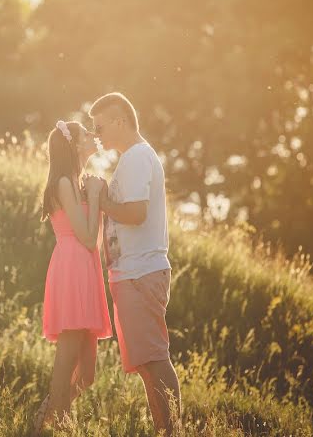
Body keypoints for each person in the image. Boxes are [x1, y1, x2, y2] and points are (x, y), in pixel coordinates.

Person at [90, 92, 181, 435]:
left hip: (141, 273)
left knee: (155, 359)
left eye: (99, 126)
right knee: (145, 363)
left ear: (119, 121)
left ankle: (172, 430)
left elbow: (137, 213)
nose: (96, 134)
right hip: (131, 273)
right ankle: (164, 428)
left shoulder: (137, 158)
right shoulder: (132, 158)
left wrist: (101, 202)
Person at [32, 120, 112, 434]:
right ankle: (62, 427)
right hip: (72, 267)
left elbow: (95, 235)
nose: (94, 137)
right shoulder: (65, 183)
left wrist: (94, 196)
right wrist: (93, 196)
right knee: (67, 361)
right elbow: (88, 239)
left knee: (87, 374)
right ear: (75, 145)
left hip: (86, 267)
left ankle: (43, 418)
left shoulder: (78, 181)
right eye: (87, 134)